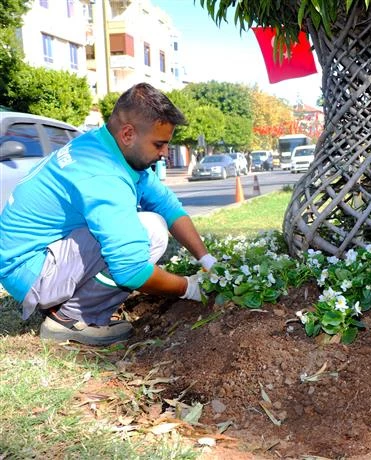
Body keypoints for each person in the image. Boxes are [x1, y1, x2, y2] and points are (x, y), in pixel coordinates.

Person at [0, 83, 217, 345]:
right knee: (151, 231)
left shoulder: (104, 146)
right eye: (159, 145)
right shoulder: (102, 174)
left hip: (35, 257)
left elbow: (167, 205)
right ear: (128, 134)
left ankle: (70, 302)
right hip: (31, 273)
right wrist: (189, 288)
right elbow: (131, 270)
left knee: (152, 220)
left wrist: (207, 260)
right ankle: (70, 318)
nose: (163, 155)